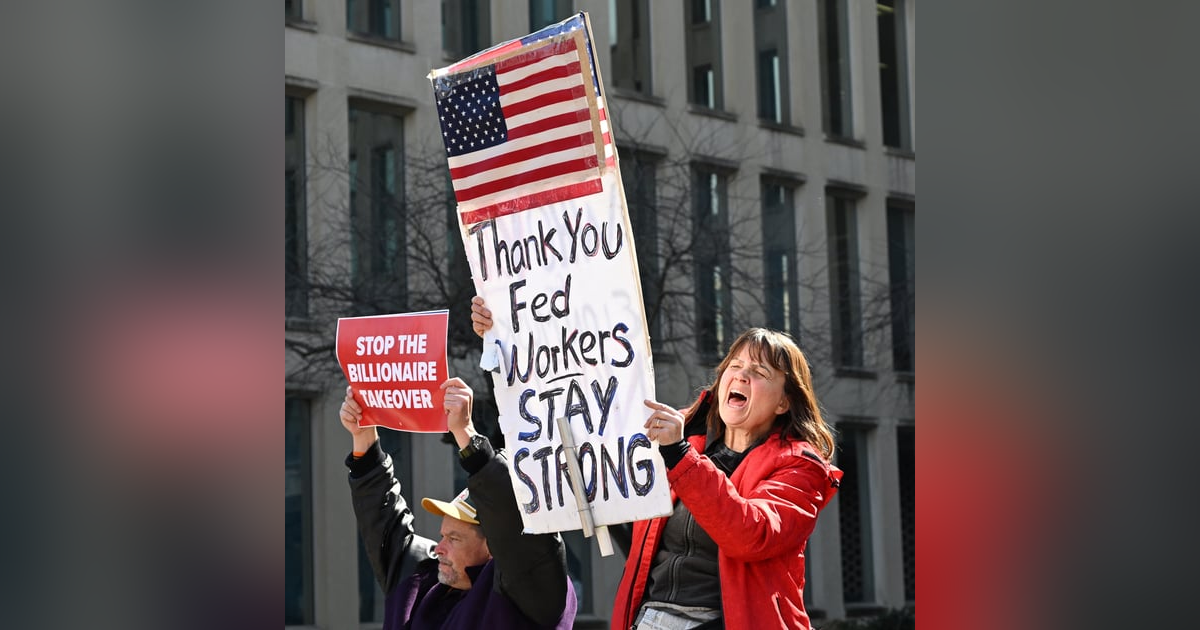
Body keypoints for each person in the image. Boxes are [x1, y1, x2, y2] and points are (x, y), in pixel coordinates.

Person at [471, 296, 843, 630]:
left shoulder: (800, 467)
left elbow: (751, 535)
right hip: (651, 618)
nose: (741, 375)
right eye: (736, 365)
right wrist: (506, 337)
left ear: (784, 403)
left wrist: (681, 456)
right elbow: (582, 410)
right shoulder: (680, 440)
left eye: (760, 373)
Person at [339, 376, 578, 630]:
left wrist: (465, 433)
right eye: (443, 536)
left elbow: (517, 531)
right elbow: (384, 527)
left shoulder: (530, 590)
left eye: (454, 538)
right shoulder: (427, 583)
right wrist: (364, 443)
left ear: (493, 546)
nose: (439, 548)